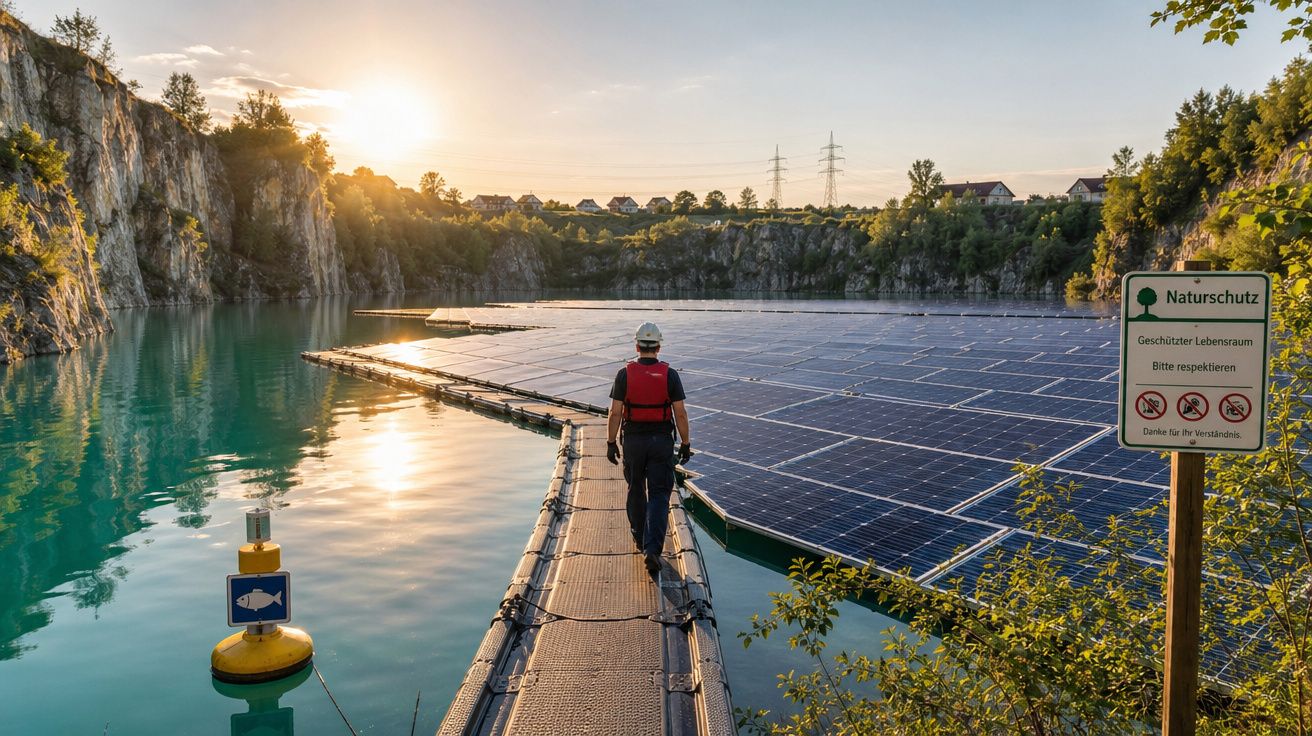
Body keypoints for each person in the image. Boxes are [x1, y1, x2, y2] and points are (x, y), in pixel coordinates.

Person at [606, 321, 693, 574]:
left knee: (635, 488)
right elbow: (681, 414)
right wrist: (686, 444)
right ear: (658, 347)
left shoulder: (624, 374)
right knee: (658, 493)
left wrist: (611, 443)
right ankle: (652, 549)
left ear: (636, 345)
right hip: (661, 442)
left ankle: (638, 535)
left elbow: (615, 413)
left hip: (633, 441)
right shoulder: (670, 375)